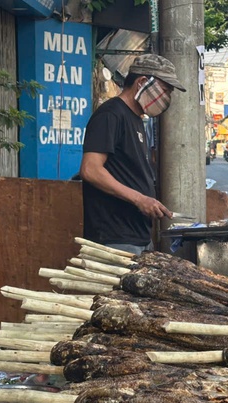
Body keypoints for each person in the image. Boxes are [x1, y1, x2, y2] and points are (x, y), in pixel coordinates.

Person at [79, 54, 186, 255]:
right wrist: (139, 199)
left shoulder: (136, 119)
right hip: (114, 239)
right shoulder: (110, 115)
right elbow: (90, 169)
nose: (166, 98)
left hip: (137, 238)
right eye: (164, 90)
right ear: (142, 82)